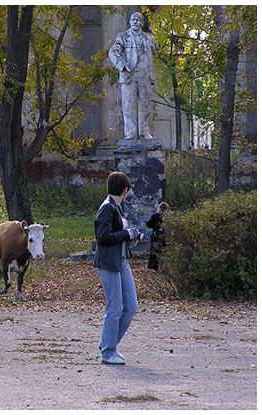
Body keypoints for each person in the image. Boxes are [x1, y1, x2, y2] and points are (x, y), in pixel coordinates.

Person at [93, 171, 141, 365]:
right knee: (115, 307)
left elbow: (116, 235)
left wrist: (130, 238)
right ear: (125, 190)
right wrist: (126, 234)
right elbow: (102, 237)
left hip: (121, 261)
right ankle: (108, 351)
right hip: (109, 263)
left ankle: (108, 342)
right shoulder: (107, 208)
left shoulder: (116, 208)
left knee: (130, 306)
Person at [109, 12, 157, 140]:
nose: (135, 22)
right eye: (133, 20)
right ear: (130, 22)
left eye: (138, 20)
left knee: (145, 106)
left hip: (144, 75)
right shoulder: (123, 37)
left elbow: (154, 50)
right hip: (129, 74)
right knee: (128, 106)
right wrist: (122, 65)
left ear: (142, 23)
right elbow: (113, 52)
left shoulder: (149, 38)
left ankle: (144, 132)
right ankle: (130, 133)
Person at [146, 201, 170, 270]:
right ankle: (164, 267)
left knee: (154, 252)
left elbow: (148, 225)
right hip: (165, 237)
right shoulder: (168, 218)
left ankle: (153, 267)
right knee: (165, 252)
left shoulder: (155, 216)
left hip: (156, 236)